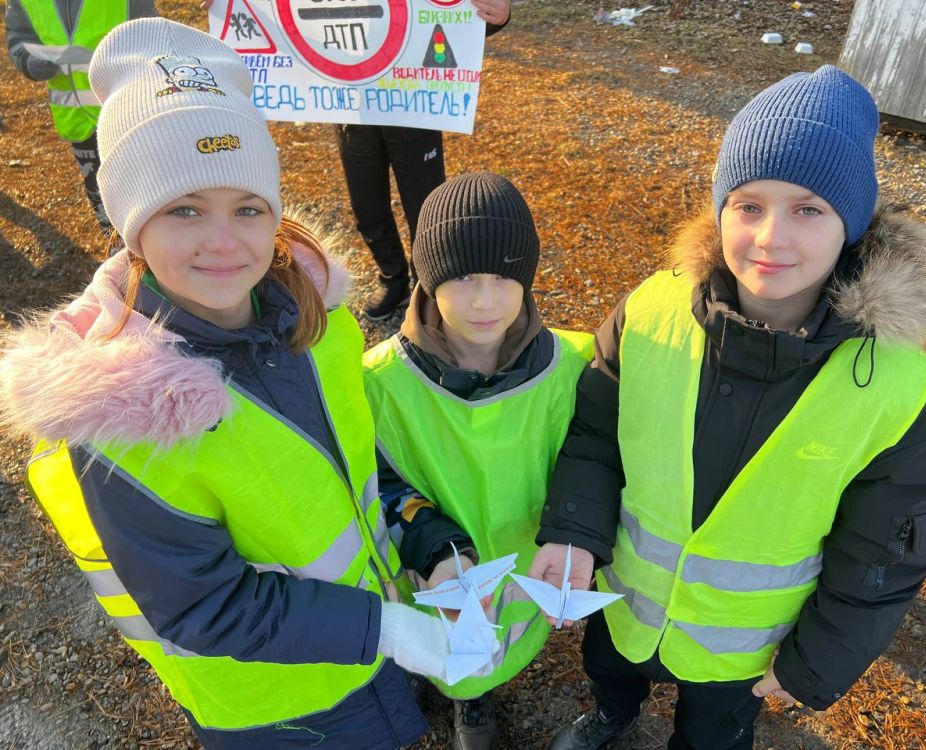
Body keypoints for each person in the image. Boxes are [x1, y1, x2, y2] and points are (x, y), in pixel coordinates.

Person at [0, 18, 469, 750]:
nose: (224, 241)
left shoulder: (318, 326)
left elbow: (346, 461)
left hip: (363, 655)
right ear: (129, 224)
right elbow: (203, 605)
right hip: (278, 713)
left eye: (248, 208)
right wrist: (384, 627)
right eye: (183, 209)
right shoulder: (127, 417)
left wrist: (427, 542)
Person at [531, 65, 926, 750]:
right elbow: (596, 431)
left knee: (713, 733)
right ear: (720, 208)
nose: (770, 239)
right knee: (609, 666)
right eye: (749, 205)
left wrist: (818, 662)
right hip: (626, 602)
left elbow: (884, 549)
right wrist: (574, 528)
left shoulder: (897, 387)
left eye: (808, 210)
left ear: (850, 224)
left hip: (743, 650)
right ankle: (613, 712)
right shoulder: (653, 311)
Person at [363, 172, 594, 749]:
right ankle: (464, 694)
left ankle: (479, 692)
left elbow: (595, 461)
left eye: (505, 276)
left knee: (498, 640)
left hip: (524, 571)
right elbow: (377, 482)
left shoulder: (575, 366)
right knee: (442, 643)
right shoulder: (377, 383)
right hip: (433, 567)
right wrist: (437, 547)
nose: (486, 300)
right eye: (463, 277)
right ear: (428, 278)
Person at [341, 0, 511, 321]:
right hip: (351, 104)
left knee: (426, 208)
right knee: (367, 206)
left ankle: (426, 284)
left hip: (414, 100)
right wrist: (236, 9)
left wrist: (497, 18)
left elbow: (453, 10)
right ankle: (393, 278)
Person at [5, 0, 158, 231]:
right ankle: (118, 251)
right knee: (101, 192)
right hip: (78, 119)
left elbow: (153, 33)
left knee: (145, 189)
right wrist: (28, 61)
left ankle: (156, 252)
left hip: (128, 113)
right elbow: (20, 36)